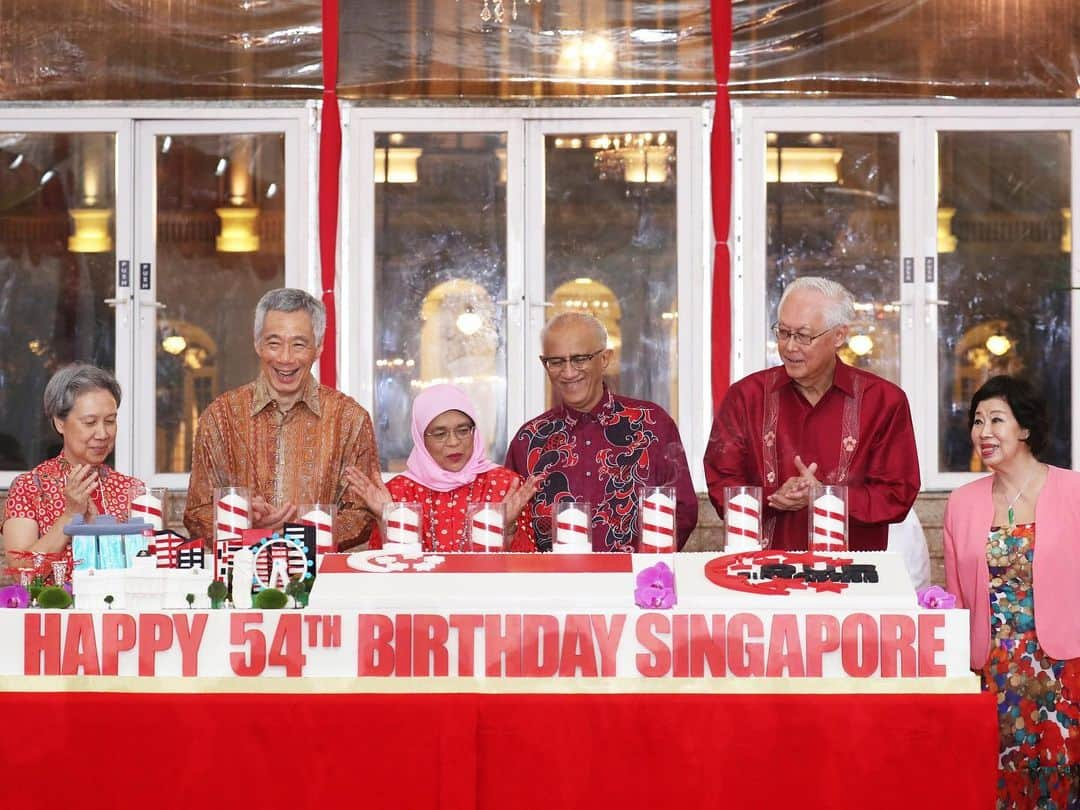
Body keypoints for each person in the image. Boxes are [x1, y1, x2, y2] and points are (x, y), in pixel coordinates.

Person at [704, 276, 919, 550]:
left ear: (839, 335)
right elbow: (721, 480)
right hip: (760, 576)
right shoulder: (746, 397)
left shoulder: (882, 401)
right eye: (783, 332)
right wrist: (772, 497)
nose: (790, 346)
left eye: (803, 336)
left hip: (852, 581)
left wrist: (826, 496)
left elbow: (897, 495)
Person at [944, 375, 1080, 807]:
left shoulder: (1074, 492)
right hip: (992, 670)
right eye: (977, 420)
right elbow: (956, 597)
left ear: (1024, 428)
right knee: (995, 783)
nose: (983, 432)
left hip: (1065, 667)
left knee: (1061, 781)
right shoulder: (962, 503)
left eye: (996, 420)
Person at [184, 288, 380, 550]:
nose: (285, 358)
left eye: (299, 344)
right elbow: (197, 511)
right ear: (257, 344)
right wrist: (245, 523)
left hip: (322, 581)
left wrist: (298, 535)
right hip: (240, 577)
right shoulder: (220, 416)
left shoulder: (350, 420)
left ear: (318, 347)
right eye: (274, 343)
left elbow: (362, 515)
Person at [505, 312, 697, 552]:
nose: (568, 372)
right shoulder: (529, 439)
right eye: (556, 361)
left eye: (579, 359)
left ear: (605, 358)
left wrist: (644, 568)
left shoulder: (652, 424)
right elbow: (512, 523)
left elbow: (683, 510)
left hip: (633, 582)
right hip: (552, 586)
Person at [345, 384, 539, 552]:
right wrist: (385, 519)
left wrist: (508, 529)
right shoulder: (399, 492)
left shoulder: (505, 485)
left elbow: (526, 567)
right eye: (440, 434)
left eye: (463, 430)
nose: (454, 442)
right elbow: (384, 573)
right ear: (421, 438)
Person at [2, 364, 142, 568]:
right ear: (60, 423)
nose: (103, 434)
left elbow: (150, 563)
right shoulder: (31, 487)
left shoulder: (132, 489)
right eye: (90, 422)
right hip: (55, 600)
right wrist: (70, 516)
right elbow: (22, 570)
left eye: (110, 421)